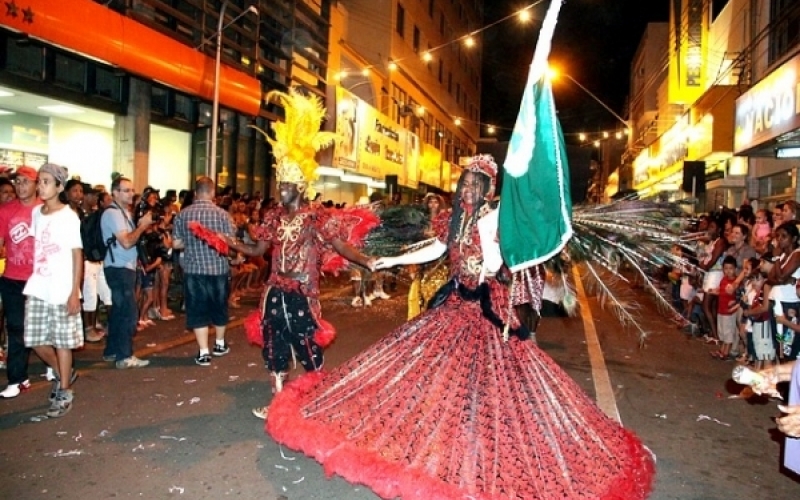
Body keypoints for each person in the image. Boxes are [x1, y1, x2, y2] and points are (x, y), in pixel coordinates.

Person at [265, 155, 654, 500]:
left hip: (488, 311)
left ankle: (480, 447)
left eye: (474, 184)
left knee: (492, 386)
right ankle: (445, 443)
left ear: (486, 191)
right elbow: (435, 250)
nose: (466, 189)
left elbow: (516, 248)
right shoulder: (452, 221)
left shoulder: (493, 219)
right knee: (437, 376)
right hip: (455, 305)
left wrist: (509, 265)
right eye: (463, 183)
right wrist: (386, 262)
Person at [226, 87, 378, 420]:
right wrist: (230, 243)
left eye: (287, 184)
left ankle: (314, 400)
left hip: (301, 293)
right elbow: (259, 249)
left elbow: (338, 245)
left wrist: (365, 260)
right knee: (273, 346)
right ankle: (279, 403)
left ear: (301, 187)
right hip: (273, 292)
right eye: (279, 183)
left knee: (307, 346)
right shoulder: (273, 216)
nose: (281, 189)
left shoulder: (315, 216)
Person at [23, 164, 83, 417]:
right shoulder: (37, 213)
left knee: (62, 342)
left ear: (59, 187)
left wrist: (73, 292)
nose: (41, 186)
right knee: (34, 339)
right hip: (39, 285)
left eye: (46, 181)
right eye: (39, 181)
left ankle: (65, 391)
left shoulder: (69, 216)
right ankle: (63, 373)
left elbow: (77, 255)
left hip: (61, 288)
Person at [172, 176, 235, 366]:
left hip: (194, 269)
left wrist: (191, 243)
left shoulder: (183, 215)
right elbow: (231, 243)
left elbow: (176, 243)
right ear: (213, 192)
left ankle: (203, 352)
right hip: (218, 269)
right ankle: (220, 343)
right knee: (219, 306)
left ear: (195, 192)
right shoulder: (224, 215)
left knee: (197, 309)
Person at [101, 176, 153, 369]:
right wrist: (142, 226)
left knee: (119, 311)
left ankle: (112, 350)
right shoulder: (113, 214)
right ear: (115, 193)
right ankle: (124, 356)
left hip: (124, 267)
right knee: (128, 313)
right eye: (126, 190)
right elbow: (127, 241)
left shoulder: (124, 213)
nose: (131, 194)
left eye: (132, 190)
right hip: (118, 268)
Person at [0, 166, 41, 398]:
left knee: (42, 328)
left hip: (39, 279)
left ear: (36, 184)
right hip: (12, 279)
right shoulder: (6, 211)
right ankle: (17, 378)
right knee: (16, 328)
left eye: (26, 181)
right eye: (18, 181)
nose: (20, 186)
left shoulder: (44, 210)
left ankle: (53, 366)